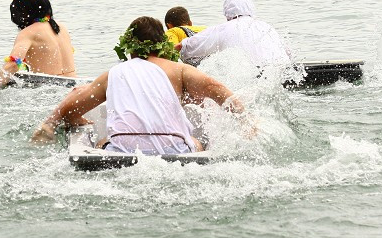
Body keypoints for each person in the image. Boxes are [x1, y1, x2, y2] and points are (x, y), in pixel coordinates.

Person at [31, 16, 244, 154]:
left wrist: (74, 119)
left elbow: (71, 109)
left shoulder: (112, 74)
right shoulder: (180, 70)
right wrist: (248, 121)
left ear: (128, 46)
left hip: (122, 149)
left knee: (101, 143)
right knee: (198, 143)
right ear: (163, 45)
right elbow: (222, 94)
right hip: (174, 150)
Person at [0, 0, 76, 90]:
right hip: (74, 86)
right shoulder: (62, 27)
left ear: (22, 12)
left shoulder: (28, 33)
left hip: (49, 89)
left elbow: (13, 65)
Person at [176, 0, 291, 67]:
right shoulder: (266, 27)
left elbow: (187, 47)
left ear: (227, 13)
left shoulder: (222, 29)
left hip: (250, 77)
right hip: (279, 71)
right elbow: (288, 54)